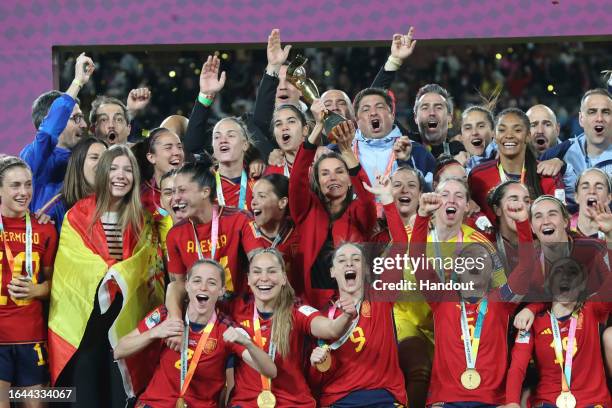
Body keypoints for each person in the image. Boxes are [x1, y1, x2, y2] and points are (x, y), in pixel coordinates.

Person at [48, 145, 164, 407]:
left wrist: (119, 273)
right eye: (113, 168)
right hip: (87, 322)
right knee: (87, 395)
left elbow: (145, 265)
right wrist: (114, 271)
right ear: (102, 173)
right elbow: (73, 267)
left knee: (118, 395)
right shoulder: (77, 214)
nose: (120, 175)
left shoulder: (141, 219)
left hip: (125, 318)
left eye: (127, 170)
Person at [408, 191, 539, 406]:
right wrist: (422, 216)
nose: (476, 264)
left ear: (490, 272)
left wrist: (523, 222)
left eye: (482, 260)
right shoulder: (441, 298)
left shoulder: (501, 300)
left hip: (492, 401)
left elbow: (526, 266)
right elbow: (416, 258)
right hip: (446, 401)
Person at [114, 259, 277, 408]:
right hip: (155, 404)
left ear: (221, 291)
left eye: (211, 283)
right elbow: (119, 350)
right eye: (197, 281)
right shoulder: (165, 316)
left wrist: (248, 343)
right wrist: (155, 333)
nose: (203, 287)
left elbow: (270, 371)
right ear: (187, 286)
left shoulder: (226, 329)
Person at [229, 248, 357, 407]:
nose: (264, 278)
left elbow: (331, 329)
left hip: (292, 402)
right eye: (257, 272)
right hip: (246, 403)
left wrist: (346, 316)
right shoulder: (236, 311)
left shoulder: (296, 310)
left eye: (271, 271)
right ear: (248, 279)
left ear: (283, 278)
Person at [164, 161, 262, 346]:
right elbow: (178, 286)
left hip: (241, 312)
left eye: (182, 191)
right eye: (173, 192)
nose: (175, 198)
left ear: (205, 192)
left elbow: (260, 263)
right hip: (202, 314)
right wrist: (177, 323)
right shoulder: (175, 235)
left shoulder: (239, 219)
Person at [289, 115, 377, 309]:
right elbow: (296, 181)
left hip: (353, 302)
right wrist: (317, 127)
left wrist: (347, 152)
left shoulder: (359, 213)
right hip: (310, 304)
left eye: (339, 171)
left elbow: (367, 198)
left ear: (349, 178)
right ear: (317, 181)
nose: (332, 178)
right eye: (325, 173)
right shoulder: (306, 210)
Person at [308, 242, 408, 407]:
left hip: (384, 397)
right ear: (332, 272)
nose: (349, 263)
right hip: (340, 400)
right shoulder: (324, 318)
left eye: (356, 259)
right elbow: (317, 379)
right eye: (341, 260)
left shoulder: (381, 297)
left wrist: (398, 214)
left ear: (367, 269)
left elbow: (400, 244)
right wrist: (316, 364)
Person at [505, 258, 612, 408]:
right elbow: (518, 366)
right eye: (559, 272)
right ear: (549, 283)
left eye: (573, 273)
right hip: (549, 402)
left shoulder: (592, 310)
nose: (565, 277)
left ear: (581, 285)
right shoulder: (532, 322)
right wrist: (512, 402)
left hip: (592, 402)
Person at [0, 157, 58, 405]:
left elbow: (54, 285)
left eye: (28, 184)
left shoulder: (45, 229)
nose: (24, 192)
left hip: (31, 337)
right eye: (15, 185)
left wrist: (35, 290)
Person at [20, 53, 94, 214]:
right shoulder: (34, 157)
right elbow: (48, 132)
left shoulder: (85, 157)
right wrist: (78, 82)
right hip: (45, 237)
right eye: (76, 118)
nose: (84, 124)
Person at [469, 108, 564, 223]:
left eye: (517, 130)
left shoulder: (548, 176)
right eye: (502, 130)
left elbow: (560, 223)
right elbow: (471, 215)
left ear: (528, 136)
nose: (509, 135)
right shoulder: (478, 176)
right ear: (494, 135)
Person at [528, 195, 610, 298]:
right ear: (532, 228)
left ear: (565, 222)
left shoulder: (595, 249)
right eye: (538, 216)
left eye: (552, 214)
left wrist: (610, 234)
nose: (546, 221)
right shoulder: (528, 265)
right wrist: (532, 309)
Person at [350, 87, 435, 186]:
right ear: (357, 119)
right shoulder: (344, 152)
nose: (373, 113)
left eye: (379, 107)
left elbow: (430, 193)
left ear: (392, 115)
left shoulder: (417, 151)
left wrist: (406, 162)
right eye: (366, 109)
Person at [540, 88, 612, 204]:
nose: (599, 118)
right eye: (592, 112)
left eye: (606, 112)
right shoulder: (557, 154)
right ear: (581, 119)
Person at [247, 174, 303, 295]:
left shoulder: (298, 232)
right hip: (257, 309)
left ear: (282, 202)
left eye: (261, 196)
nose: (253, 203)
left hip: (293, 304)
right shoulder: (245, 232)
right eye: (253, 197)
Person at [38, 137, 108, 231]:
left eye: (105, 159)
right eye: (94, 157)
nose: (101, 164)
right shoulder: (56, 208)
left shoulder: (116, 203)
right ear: (78, 163)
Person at [136, 127, 185, 219]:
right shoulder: (140, 197)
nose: (177, 152)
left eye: (179, 147)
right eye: (168, 148)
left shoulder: (196, 186)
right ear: (151, 157)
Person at [212, 117, 257, 210]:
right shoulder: (204, 183)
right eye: (217, 137)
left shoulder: (257, 182)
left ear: (245, 145)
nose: (223, 140)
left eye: (231, 135)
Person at [264, 104, 309, 176]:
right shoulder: (271, 174)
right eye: (278, 124)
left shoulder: (320, 163)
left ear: (305, 130)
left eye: (291, 121)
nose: (284, 127)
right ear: (274, 135)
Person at [570, 168, 611, 239]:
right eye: (585, 187)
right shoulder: (562, 228)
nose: (592, 191)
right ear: (576, 197)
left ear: (608, 198)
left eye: (599, 187)